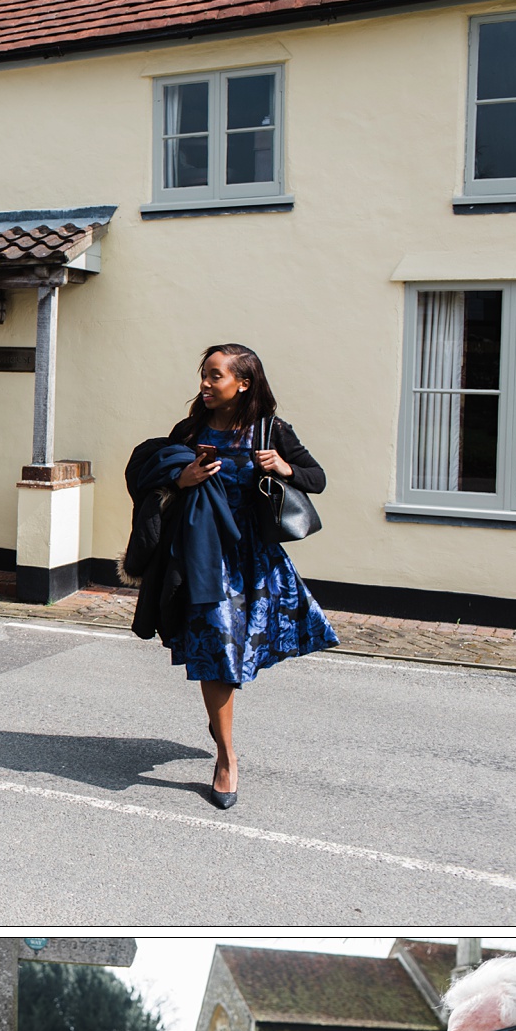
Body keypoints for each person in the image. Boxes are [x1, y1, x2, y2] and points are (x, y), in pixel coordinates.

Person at [128, 345, 337, 809]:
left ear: (242, 383)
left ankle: (217, 721)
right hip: (203, 558)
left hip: (255, 559)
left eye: (215, 376)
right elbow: (157, 477)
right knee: (217, 652)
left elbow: (316, 477)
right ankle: (226, 755)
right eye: (203, 375)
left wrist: (282, 467)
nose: (205, 383)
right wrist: (182, 481)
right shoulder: (191, 429)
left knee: (241, 652)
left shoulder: (270, 430)